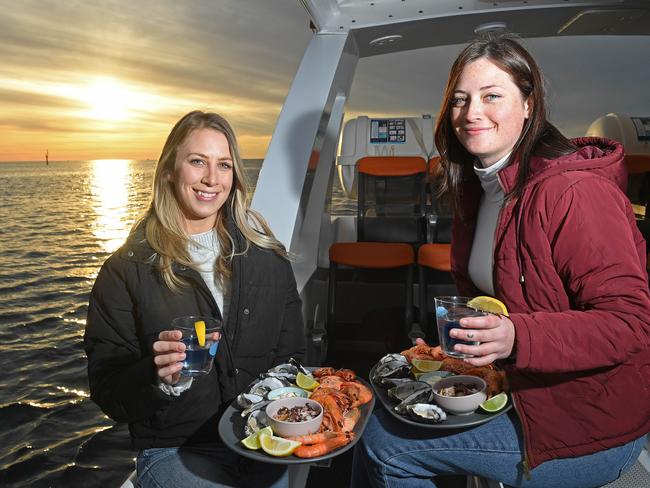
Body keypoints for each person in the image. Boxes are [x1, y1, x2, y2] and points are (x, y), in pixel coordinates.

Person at [352, 33, 650, 488]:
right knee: (375, 406)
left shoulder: (574, 192)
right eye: (460, 99)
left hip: (588, 423)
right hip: (519, 389)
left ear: (529, 104)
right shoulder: (481, 189)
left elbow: (632, 323)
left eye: (492, 96)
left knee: (385, 446)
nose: (471, 113)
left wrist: (516, 336)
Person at [84, 110, 305, 487]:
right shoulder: (125, 271)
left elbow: (294, 358)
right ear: (170, 169)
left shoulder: (269, 260)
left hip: (263, 442)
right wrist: (159, 377)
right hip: (176, 448)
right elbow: (109, 391)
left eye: (224, 165)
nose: (211, 179)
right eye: (197, 161)